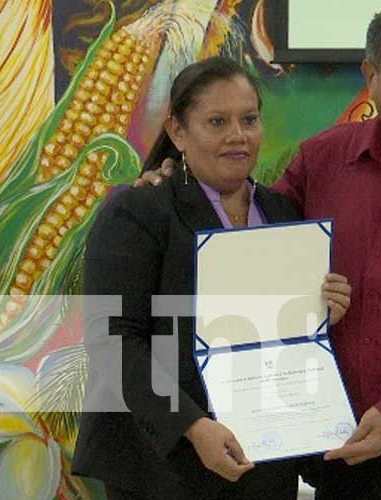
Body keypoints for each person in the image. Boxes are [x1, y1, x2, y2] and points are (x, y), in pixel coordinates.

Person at [139, 2, 381, 499]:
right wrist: (177, 184)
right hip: (337, 442)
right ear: (371, 76)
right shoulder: (323, 160)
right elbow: (252, 241)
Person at [71, 56, 352, 500]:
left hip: (264, 462)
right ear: (178, 132)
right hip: (161, 468)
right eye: (217, 121)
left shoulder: (283, 213)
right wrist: (191, 425)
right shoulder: (138, 211)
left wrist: (322, 309)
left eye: (249, 119)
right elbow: (112, 339)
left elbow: (286, 333)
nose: (237, 136)